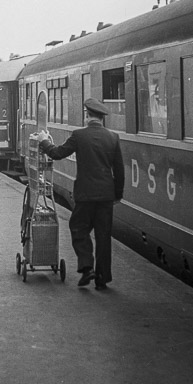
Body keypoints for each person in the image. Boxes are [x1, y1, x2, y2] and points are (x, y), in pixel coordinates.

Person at [35, 97, 124, 290]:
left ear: (87, 116)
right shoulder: (113, 137)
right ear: (102, 118)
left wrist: (43, 142)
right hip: (106, 196)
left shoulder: (79, 136)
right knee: (103, 236)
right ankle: (102, 279)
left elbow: (57, 153)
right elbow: (119, 170)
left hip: (85, 195)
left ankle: (86, 267)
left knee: (78, 229)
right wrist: (117, 194)